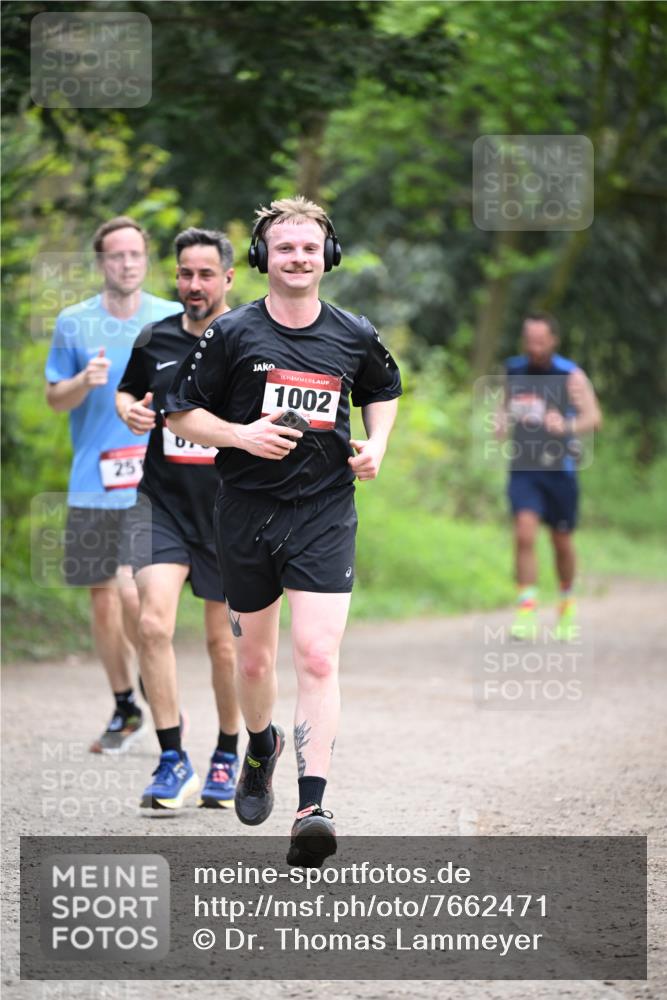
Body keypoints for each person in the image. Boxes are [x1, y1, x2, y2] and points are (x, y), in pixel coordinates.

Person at [164, 196, 401, 865]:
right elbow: (180, 414)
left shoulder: (352, 332)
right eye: (285, 247)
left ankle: (312, 807)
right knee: (255, 661)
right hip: (244, 511)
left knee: (319, 656)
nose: (298, 258)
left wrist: (376, 445)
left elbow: (381, 390)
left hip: (324, 511)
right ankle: (260, 743)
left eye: (308, 247)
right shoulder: (231, 333)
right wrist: (238, 434)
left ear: (326, 256)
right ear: (264, 258)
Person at [116, 227, 241, 810]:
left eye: (206, 274)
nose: (194, 285)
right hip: (160, 503)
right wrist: (131, 413)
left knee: (224, 644)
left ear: (228, 279)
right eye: (186, 273)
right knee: (151, 625)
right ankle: (172, 759)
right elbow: (128, 392)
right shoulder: (154, 337)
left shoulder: (247, 340)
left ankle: (227, 753)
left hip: (228, 511)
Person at [45, 217, 180, 753]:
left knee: (131, 593)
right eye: (116, 255)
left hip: (152, 483)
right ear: (102, 262)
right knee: (102, 600)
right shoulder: (74, 323)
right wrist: (83, 382)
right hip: (93, 480)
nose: (127, 263)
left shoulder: (169, 317)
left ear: (146, 260)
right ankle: (126, 704)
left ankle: (155, 684)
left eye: (135, 255)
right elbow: (56, 399)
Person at [501, 313, 602, 640]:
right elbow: (503, 409)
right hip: (524, 467)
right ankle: (527, 611)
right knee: (525, 534)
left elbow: (594, 419)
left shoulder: (570, 374)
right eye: (529, 340)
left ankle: (566, 606)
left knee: (562, 544)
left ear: (553, 340)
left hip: (560, 470)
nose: (534, 347)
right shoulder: (513, 370)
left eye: (541, 341)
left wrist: (567, 426)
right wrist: (501, 422)